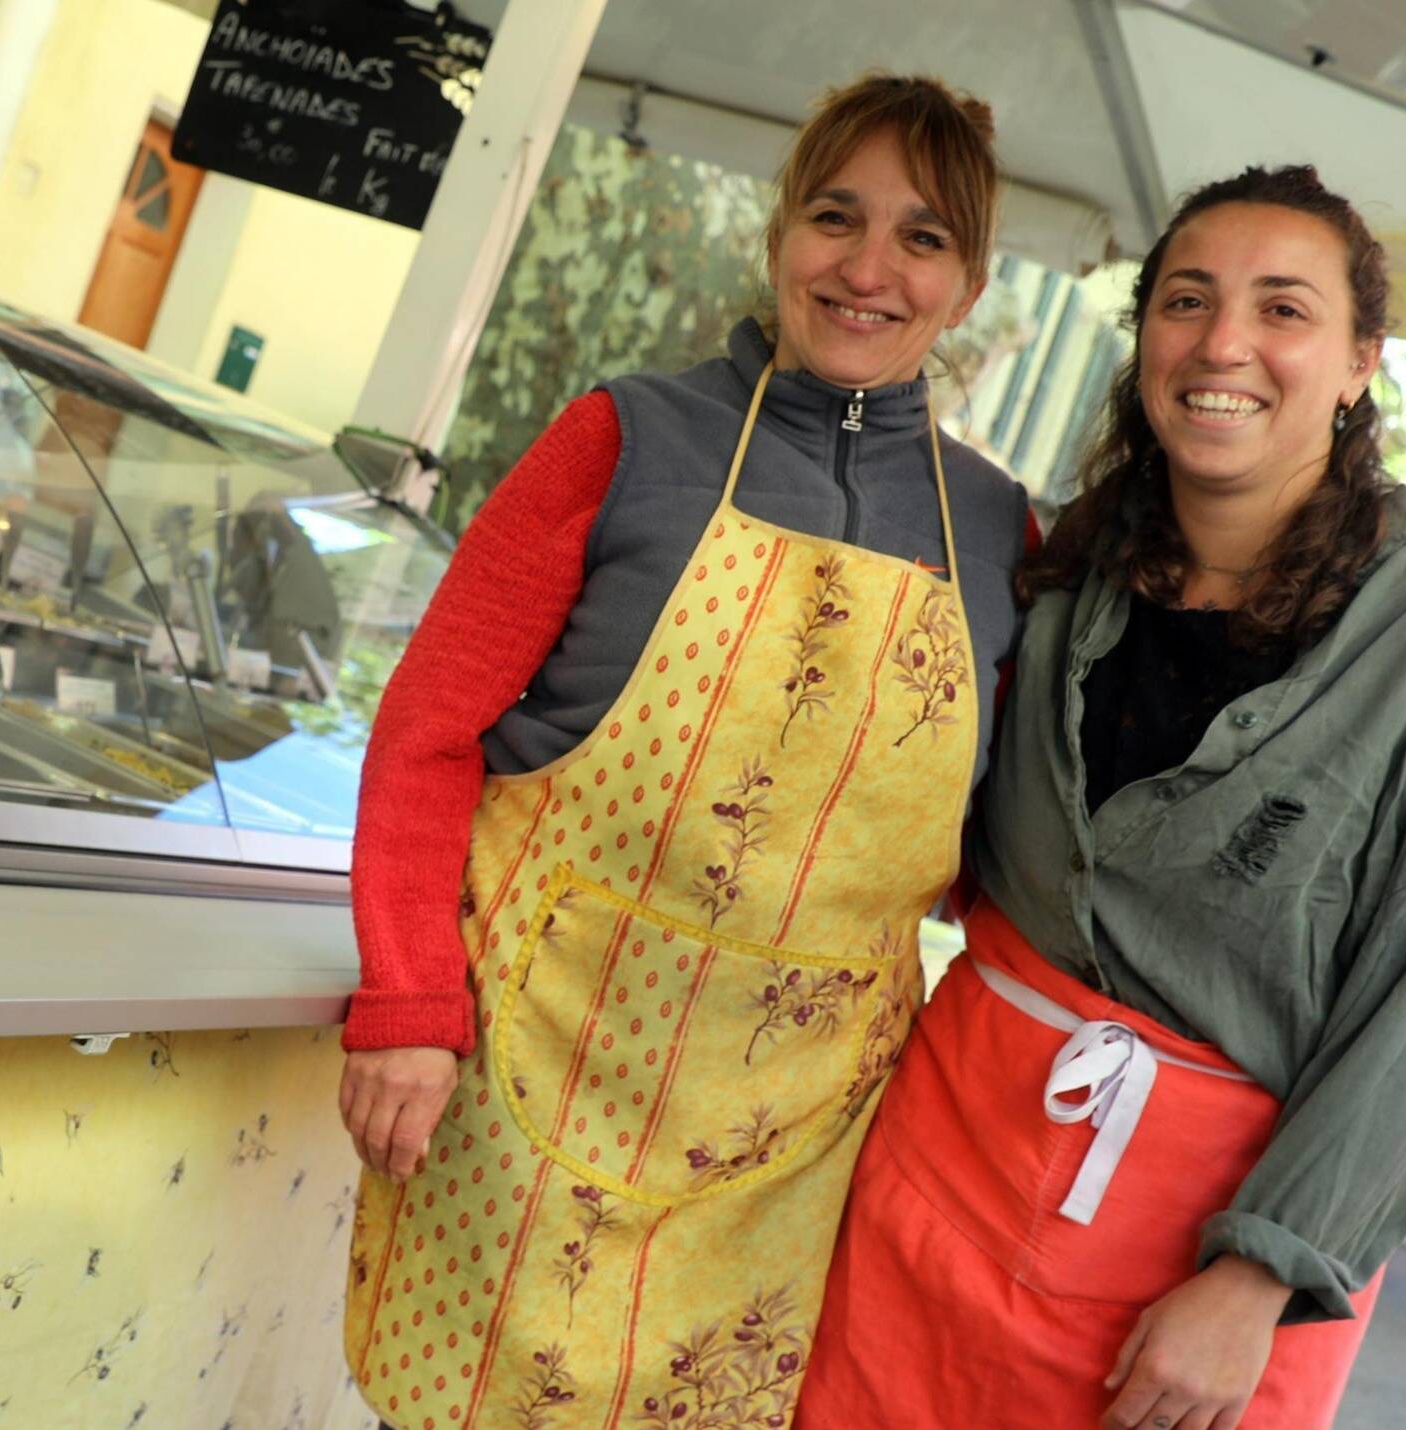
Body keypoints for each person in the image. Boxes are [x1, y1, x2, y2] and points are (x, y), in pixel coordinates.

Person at [799, 165, 1406, 1428]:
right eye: (1186, 300)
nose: (1221, 344)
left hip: (1206, 1271)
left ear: (1359, 361)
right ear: (1143, 335)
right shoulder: (1064, 567)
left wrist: (1260, 1271)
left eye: (1281, 309)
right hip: (930, 1177)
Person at [335, 74, 1031, 1429]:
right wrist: (408, 1005)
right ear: (779, 234)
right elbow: (427, 732)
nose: (868, 268)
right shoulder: (622, 437)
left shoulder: (1000, 531)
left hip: (792, 1152)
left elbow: (986, 850)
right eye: (835, 217)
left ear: (969, 286)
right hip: (527, 1083)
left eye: (922, 237)